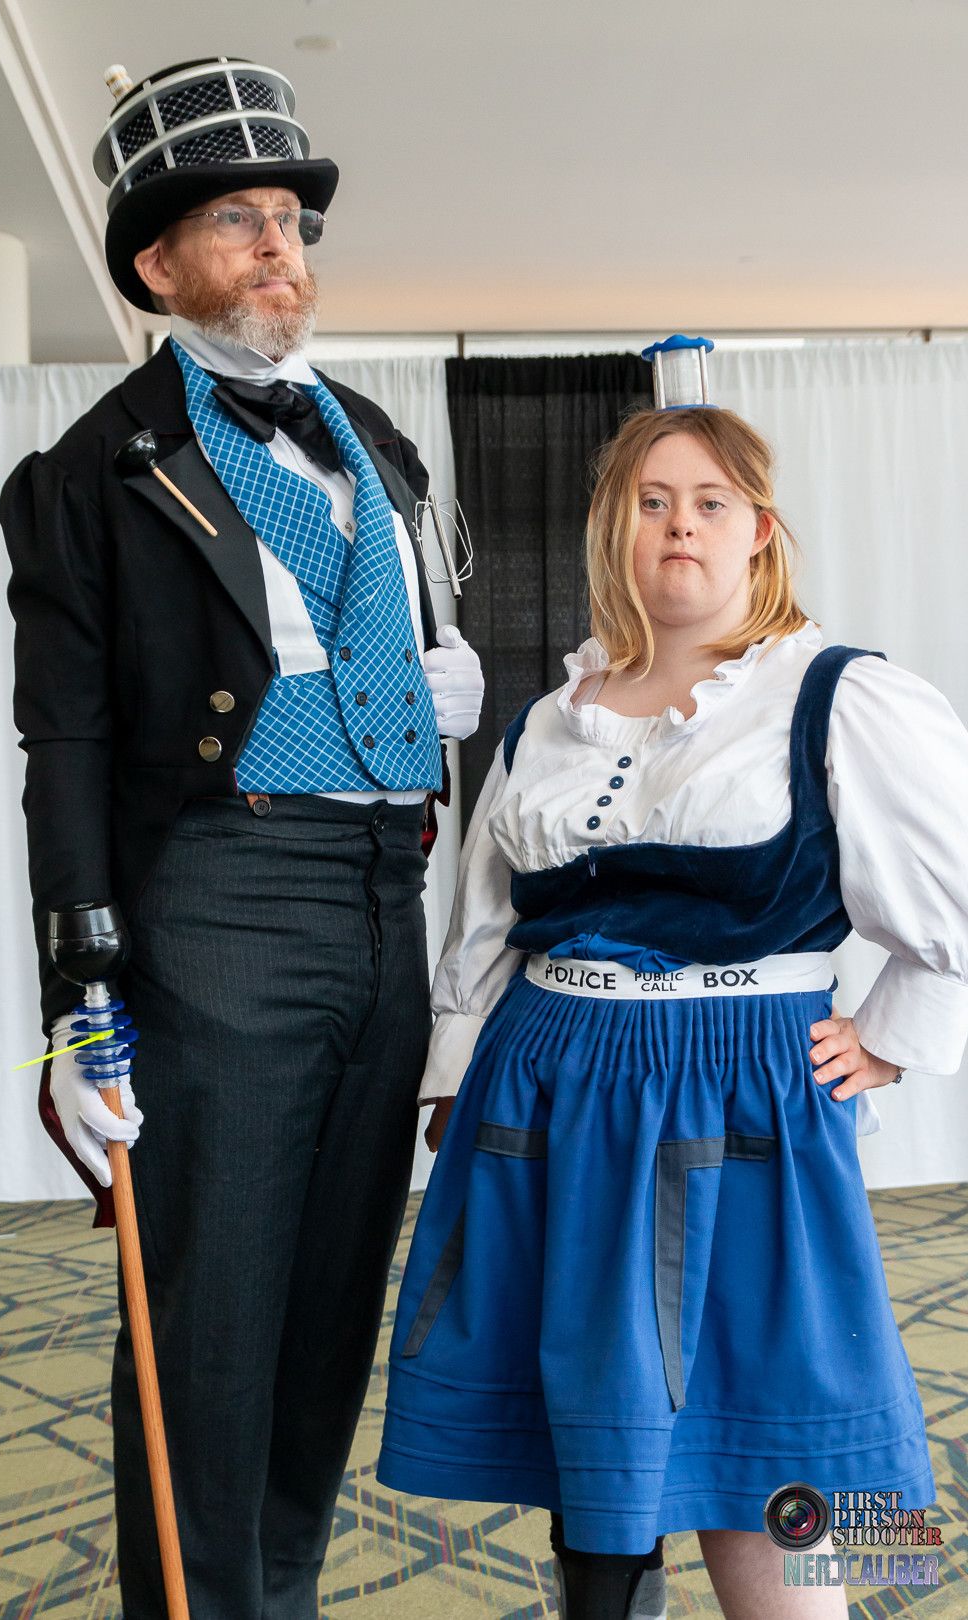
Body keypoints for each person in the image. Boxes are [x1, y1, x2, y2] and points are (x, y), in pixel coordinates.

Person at [0, 55, 483, 1620]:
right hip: (219, 898)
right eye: (238, 222)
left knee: (332, 1310)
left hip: (380, 895)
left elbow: (394, 651)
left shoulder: (378, 447)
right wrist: (78, 996)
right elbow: (63, 744)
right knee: (206, 1329)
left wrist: (434, 680)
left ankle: (275, 1592)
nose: (282, 247)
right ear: (156, 265)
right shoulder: (89, 474)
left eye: (291, 219)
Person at [376, 395, 968, 1620]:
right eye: (651, 503)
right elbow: (486, 919)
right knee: (596, 1432)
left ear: (760, 529)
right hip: (550, 1089)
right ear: (616, 531)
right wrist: (455, 1073)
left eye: (709, 503)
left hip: (745, 1087)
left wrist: (896, 1039)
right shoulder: (553, 718)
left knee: (786, 1416)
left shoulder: (839, 692)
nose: (678, 527)